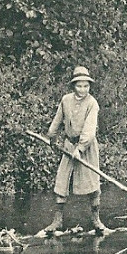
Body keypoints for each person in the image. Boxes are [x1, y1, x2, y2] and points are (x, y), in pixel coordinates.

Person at [39, 66, 105, 236]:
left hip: (87, 147)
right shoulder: (66, 100)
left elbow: (90, 130)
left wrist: (81, 148)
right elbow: (57, 120)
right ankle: (57, 220)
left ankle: (96, 219)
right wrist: (51, 137)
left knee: (93, 183)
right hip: (69, 145)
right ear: (73, 86)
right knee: (62, 181)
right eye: (79, 86)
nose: (82, 89)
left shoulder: (92, 103)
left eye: (86, 86)